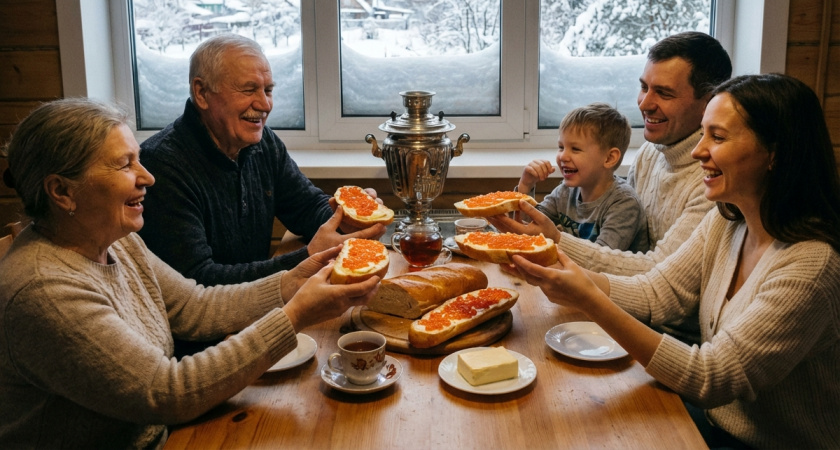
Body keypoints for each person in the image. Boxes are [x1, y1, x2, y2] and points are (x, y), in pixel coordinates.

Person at [0, 98, 381, 448]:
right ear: (62, 192)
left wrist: (292, 282)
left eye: (138, 159)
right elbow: (166, 392)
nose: (147, 177)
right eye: (124, 164)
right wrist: (296, 316)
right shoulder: (44, 289)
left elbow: (194, 305)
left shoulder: (116, 240)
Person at [511, 74, 840, 449]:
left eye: (717, 137)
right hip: (716, 422)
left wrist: (588, 298)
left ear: (775, 154)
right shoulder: (728, 219)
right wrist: (559, 267)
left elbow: (710, 378)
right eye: (703, 134)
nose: (699, 151)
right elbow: (656, 293)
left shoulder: (810, 265)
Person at [491, 31, 732, 344]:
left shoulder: (714, 181)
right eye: (644, 87)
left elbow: (658, 276)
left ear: (709, 102)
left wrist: (555, 241)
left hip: (673, 340)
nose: (645, 103)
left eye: (664, 93)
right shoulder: (650, 153)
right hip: (622, 313)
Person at [138, 33, 384, 287]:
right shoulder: (161, 167)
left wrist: (345, 218)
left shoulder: (263, 142)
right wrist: (308, 257)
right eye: (248, 90)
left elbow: (306, 207)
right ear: (201, 93)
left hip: (255, 308)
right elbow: (199, 283)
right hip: (200, 322)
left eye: (268, 90)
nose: (265, 105)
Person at [516, 102, 648, 252]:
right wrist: (525, 186)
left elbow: (601, 261)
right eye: (561, 147)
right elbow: (526, 228)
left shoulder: (624, 204)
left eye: (575, 149)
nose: (563, 156)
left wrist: (555, 236)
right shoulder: (565, 191)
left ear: (609, 158)